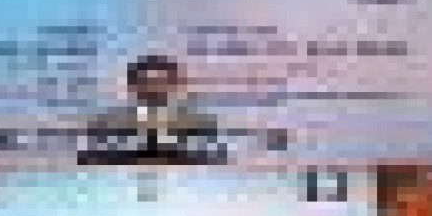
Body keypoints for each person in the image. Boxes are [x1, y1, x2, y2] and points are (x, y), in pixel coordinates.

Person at [81, 55, 289, 164]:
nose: (154, 88)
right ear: (133, 86)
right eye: (146, 82)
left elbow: (222, 150)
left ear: (175, 86)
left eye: (161, 82)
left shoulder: (199, 122)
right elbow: (91, 157)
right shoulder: (109, 123)